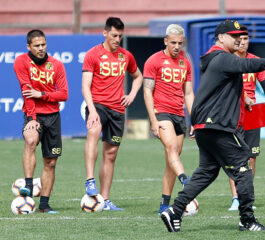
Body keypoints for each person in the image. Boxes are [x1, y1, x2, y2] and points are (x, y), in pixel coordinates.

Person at [160, 19, 265, 232]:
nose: (238, 40)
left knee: (207, 172)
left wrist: (243, 99)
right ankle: (247, 220)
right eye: (234, 36)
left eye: (241, 36)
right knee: (244, 169)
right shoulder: (222, 58)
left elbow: (222, 90)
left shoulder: (217, 59)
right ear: (221, 38)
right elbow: (245, 64)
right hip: (218, 126)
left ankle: (174, 211)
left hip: (207, 126)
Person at [82, 17, 143, 211]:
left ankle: (105, 199)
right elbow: (85, 85)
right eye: (114, 35)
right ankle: (89, 180)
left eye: (120, 36)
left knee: (111, 154)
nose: (117, 39)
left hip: (117, 109)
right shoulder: (93, 54)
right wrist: (91, 111)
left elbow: (138, 76)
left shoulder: (126, 56)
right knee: (93, 130)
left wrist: (132, 94)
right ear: (105, 33)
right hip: (98, 105)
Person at [14, 29, 69, 213]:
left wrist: (43, 94)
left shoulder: (57, 65)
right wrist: (31, 118)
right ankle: (28, 185)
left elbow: (64, 94)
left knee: (51, 162)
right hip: (33, 113)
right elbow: (26, 91)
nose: (41, 48)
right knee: (30, 140)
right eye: (37, 45)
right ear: (28, 46)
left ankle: (44, 205)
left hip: (53, 116)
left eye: (43, 44)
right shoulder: (21, 61)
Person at [143, 24, 195, 215]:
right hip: (161, 112)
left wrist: (195, 120)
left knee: (171, 159)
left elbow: (188, 93)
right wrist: (153, 120)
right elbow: (147, 91)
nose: (176, 46)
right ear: (165, 40)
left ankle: (165, 204)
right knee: (171, 149)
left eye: (180, 43)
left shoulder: (185, 62)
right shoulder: (154, 61)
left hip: (179, 114)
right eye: (173, 42)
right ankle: (186, 183)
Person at [228, 25, 265, 211]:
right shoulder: (228, 61)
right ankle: (235, 198)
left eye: (246, 39)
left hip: (253, 112)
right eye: (239, 39)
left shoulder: (255, 61)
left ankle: (246, 196)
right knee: (234, 156)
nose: (242, 42)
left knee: (252, 156)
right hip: (232, 111)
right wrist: (242, 97)